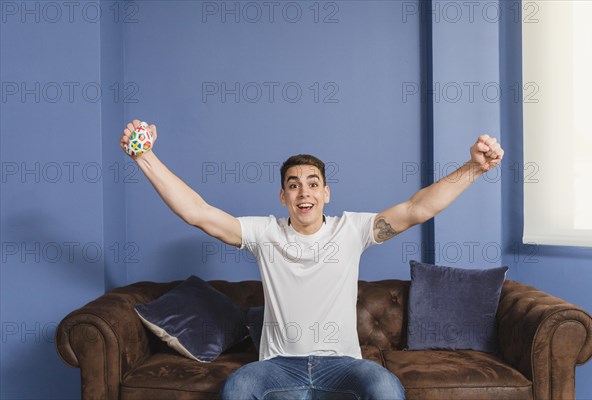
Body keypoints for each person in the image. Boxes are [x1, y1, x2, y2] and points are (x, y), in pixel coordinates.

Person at [120, 120, 504, 400]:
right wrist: (145, 155)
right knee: (237, 387)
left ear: (326, 193)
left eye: (312, 183)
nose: (304, 191)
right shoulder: (264, 234)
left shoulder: (351, 231)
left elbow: (417, 208)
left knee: (387, 387)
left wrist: (474, 168)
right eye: (293, 184)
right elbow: (198, 212)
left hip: (343, 366)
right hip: (277, 367)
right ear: (283, 197)